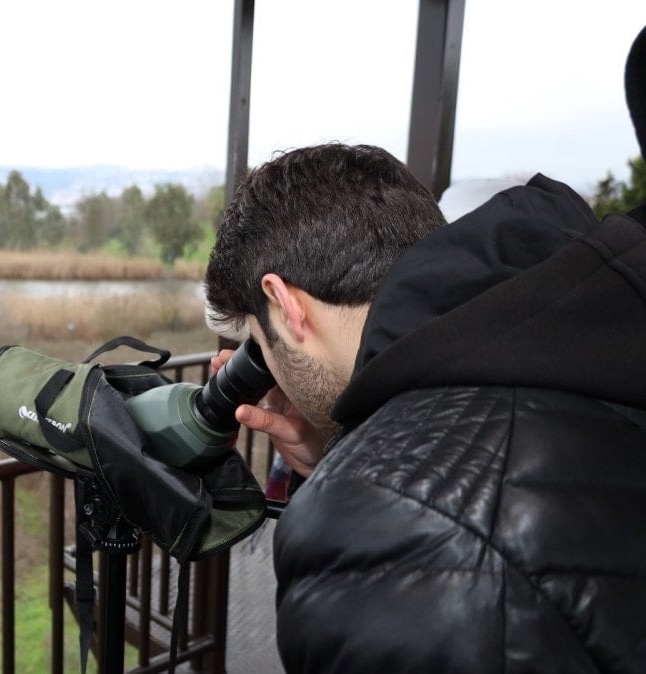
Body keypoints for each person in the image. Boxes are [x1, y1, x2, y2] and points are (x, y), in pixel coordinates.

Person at [202, 135, 646, 670]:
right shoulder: (574, 332)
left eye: (260, 343)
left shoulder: (377, 532)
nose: (265, 367)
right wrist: (341, 455)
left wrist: (352, 489)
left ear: (285, 304)